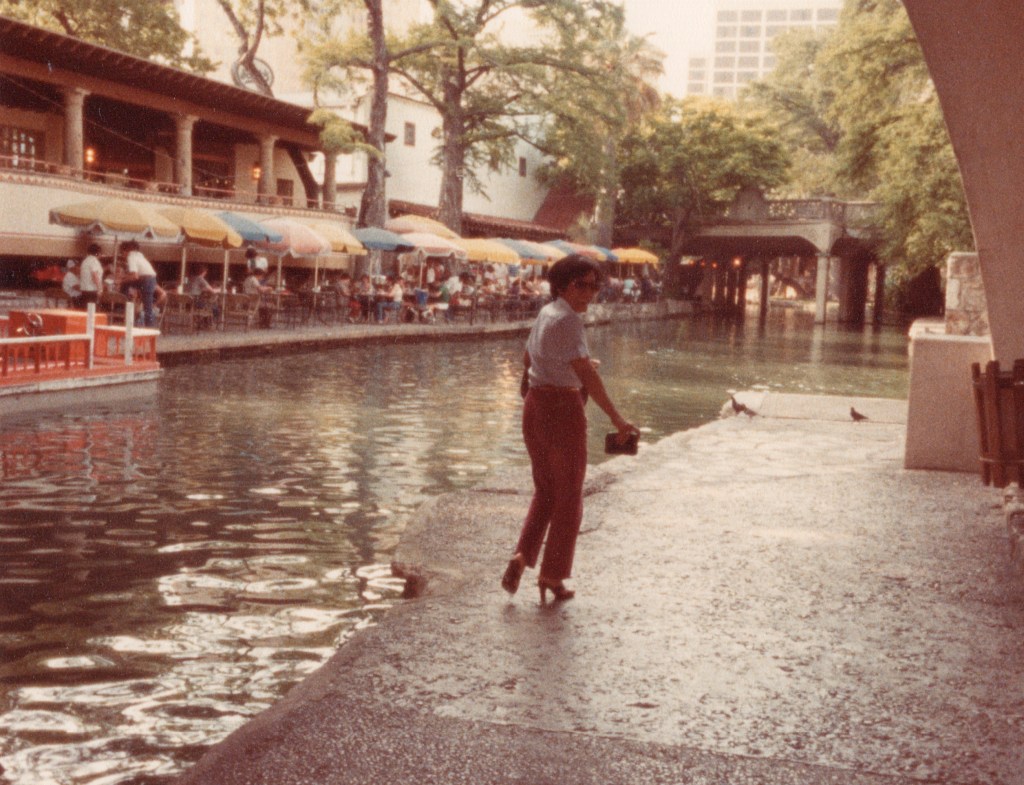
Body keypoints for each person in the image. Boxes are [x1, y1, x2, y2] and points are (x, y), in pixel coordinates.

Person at [501, 254, 639, 603]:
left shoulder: (546, 313)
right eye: (581, 285)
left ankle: (523, 555)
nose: (589, 293)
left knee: (545, 490)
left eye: (594, 286)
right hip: (563, 409)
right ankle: (553, 576)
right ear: (562, 285)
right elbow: (587, 376)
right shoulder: (571, 321)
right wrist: (617, 419)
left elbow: (529, 359)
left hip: (535, 406)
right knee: (570, 497)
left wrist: (566, 369)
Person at [121, 240, 159, 326]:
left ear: (126, 251)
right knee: (147, 307)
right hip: (149, 279)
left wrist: (122, 280)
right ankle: (128, 301)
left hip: (146, 280)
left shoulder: (131, 257)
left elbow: (134, 276)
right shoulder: (139, 255)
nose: (123, 256)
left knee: (147, 308)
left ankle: (126, 302)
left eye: (122, 253)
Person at [78, 243, 104, 308]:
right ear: (98, 252)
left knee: (85, 310)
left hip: (84, 289)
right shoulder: (94, 261)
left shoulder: (85, 261)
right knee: (92, 310)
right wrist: (100, 289)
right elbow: (94, 276)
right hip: (92, 290)